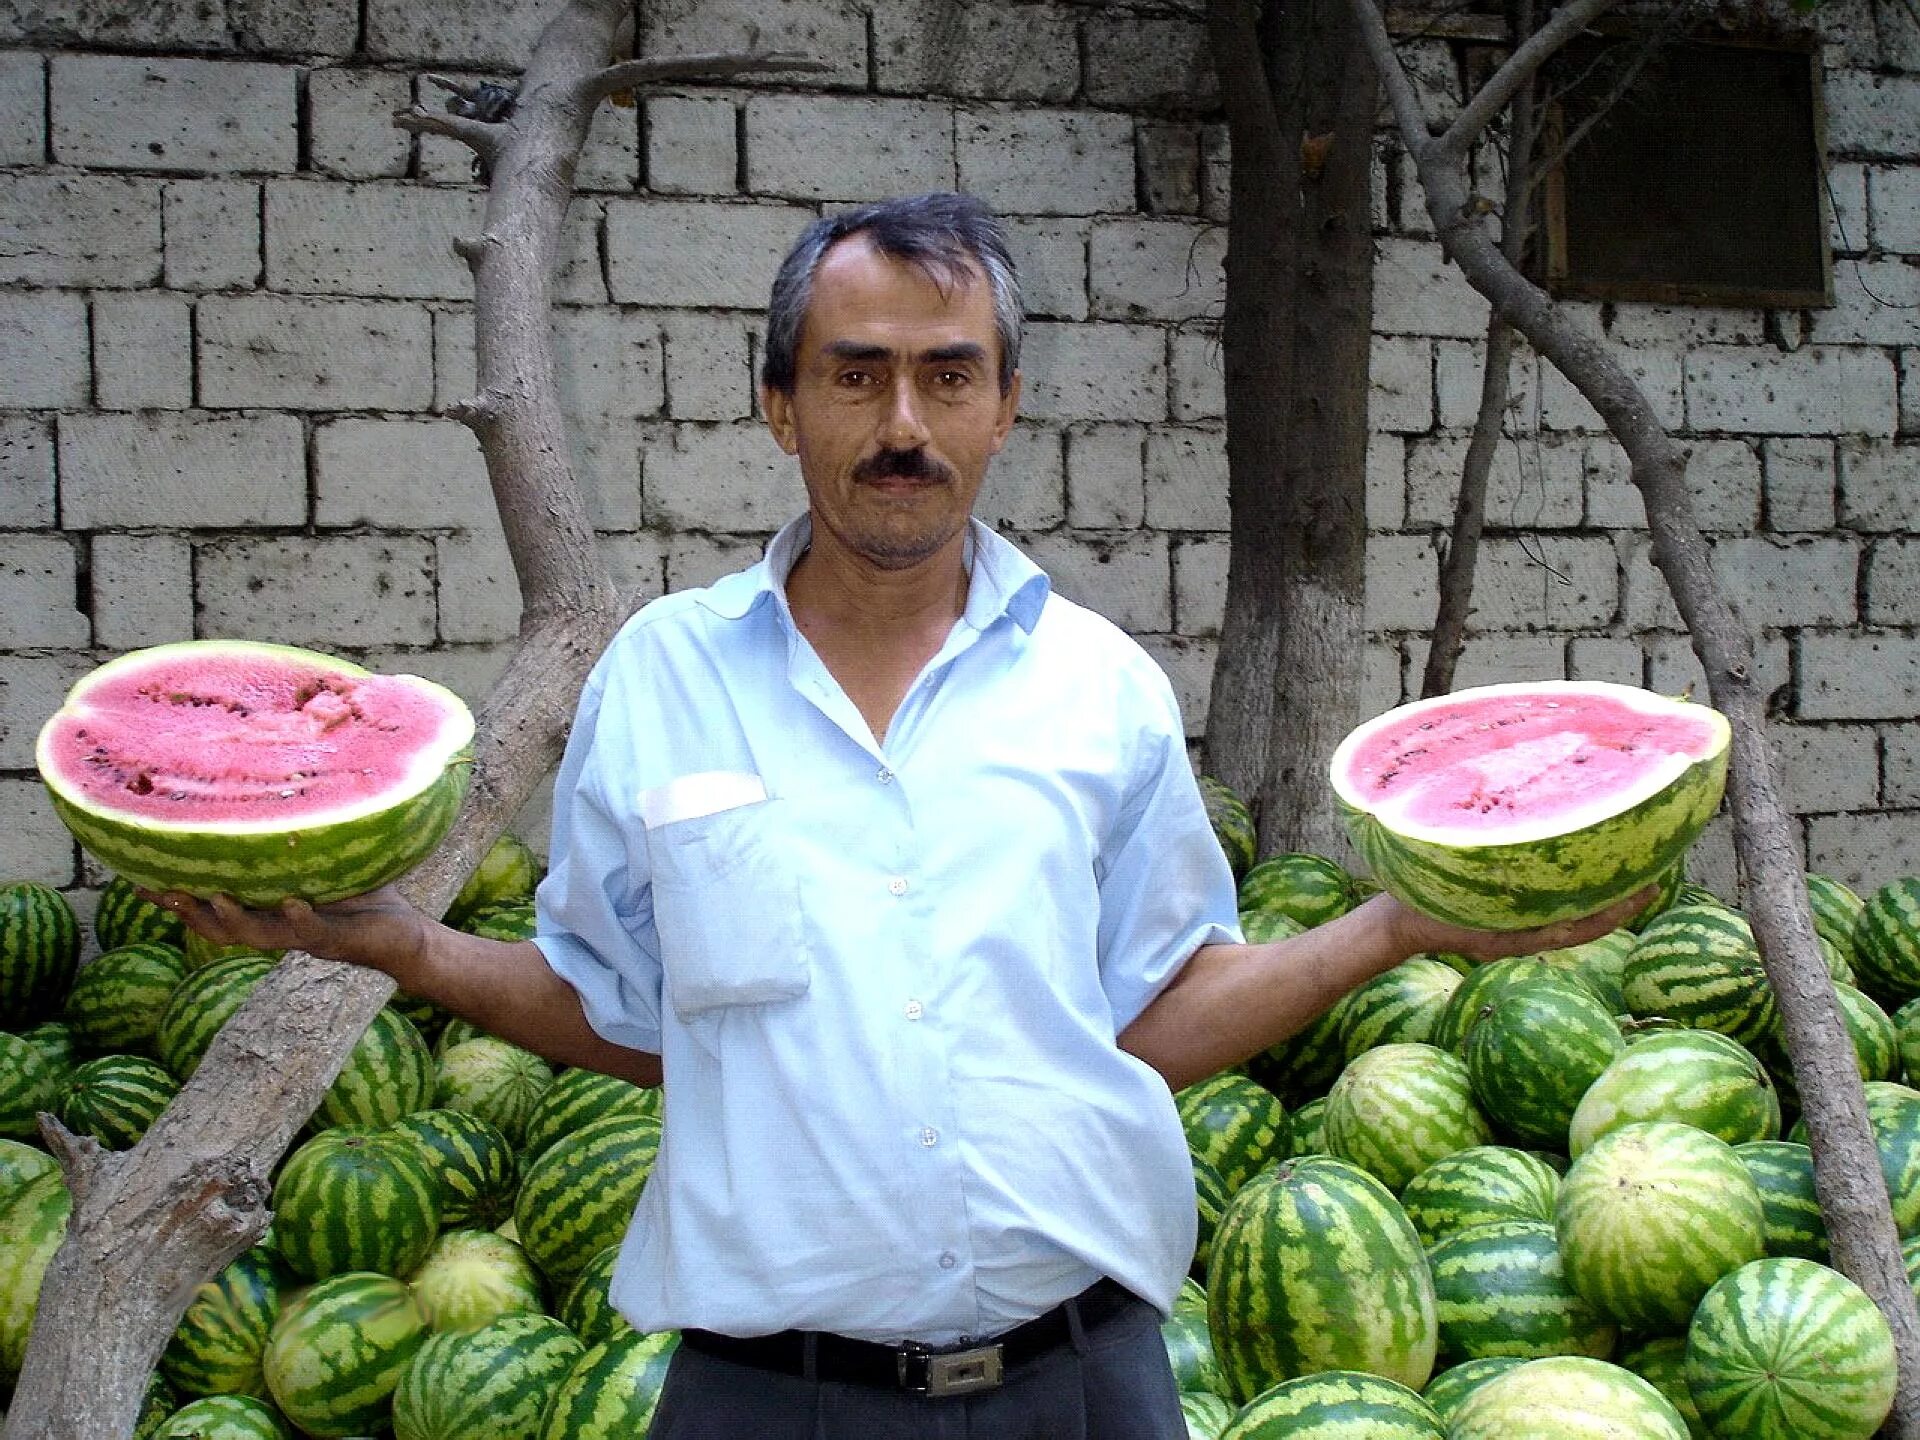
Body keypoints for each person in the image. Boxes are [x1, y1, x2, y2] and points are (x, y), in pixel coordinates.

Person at [160, 191, 1647, 1440]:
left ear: (1005, 407)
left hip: (1087, 1384)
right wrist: (406, 950)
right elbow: (622, 1011)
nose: (901, 423)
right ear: (778, 403)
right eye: (855, 373)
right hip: (767, 1400)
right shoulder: (661, 681)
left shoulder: (1100, 686)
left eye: (948, 375)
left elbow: (1155, 1009)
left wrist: (1395, 924)